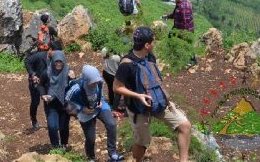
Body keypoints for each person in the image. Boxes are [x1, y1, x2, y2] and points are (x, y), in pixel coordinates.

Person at [113, 27, 192, 162]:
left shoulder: (149, 56)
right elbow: (117, 87)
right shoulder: (126, 64)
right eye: (153, 42)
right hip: (139, 108)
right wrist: (138, 96)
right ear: (147, 45)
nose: (154, 44)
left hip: (158, 101)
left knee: (185, 126)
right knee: (142, 143)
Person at [65, 65, 124, 162]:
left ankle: (112, 153)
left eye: (97, 81)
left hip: (99, 106)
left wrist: (101, 100)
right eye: (92, 82)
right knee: (91, 138)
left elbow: (100, 93)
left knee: (112, 124)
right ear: (86, 80)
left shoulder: (99, 82)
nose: (95, 83)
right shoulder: (76, 89)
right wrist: (82, 109)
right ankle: (91, 157)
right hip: (84, 112)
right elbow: (67, 103)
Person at [24, 42, 60, 131]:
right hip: (35, 82)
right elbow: (27, 60)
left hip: (46, 83)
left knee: (48, 101)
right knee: (35, 102)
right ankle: (34, 119)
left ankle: (50, 122)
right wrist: (32, 74)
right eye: (56, 53)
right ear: (50, 50)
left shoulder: (55, 60)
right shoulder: (39, 56)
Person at [41, 50, 70, 149]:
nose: (58, 64)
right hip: (51, 104)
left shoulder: (68, 72)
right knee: (52, 126)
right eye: (56, 61)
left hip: (64, 104)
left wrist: (74, 79)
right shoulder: (47, 72)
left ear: (64, 61)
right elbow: (40, 85)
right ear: (53, 61)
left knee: (63, 127)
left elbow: (74, 87)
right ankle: (55, 146)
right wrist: (43, 95)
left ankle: (64, 143)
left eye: (60, 61)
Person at [162, 0, 197, 68]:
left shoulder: (184, 6)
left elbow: (186, 21)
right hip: (178, 28)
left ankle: (193, 60)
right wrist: (167, 16)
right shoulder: (179, 4)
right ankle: (175, 56)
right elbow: (174, 14)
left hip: (185, 30)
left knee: (187, 45)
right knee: (171, 37)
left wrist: (185, 33)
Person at [101, 48, 124, 117]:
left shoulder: (105, 50)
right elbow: (123, 64)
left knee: (110, 88)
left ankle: (111, 104)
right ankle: (115, 109)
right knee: (118, 91)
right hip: (114, 75)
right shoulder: (117, 57)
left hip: (105, 73)